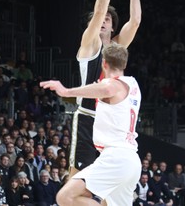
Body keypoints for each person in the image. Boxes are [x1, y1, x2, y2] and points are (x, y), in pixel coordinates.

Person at [68, 0, 148, 180]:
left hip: (112, 120)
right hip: (87, 117)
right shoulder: (89, 45)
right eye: (98, 19)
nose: (102, 21)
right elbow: (100, 9)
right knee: (77, 176)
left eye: (107, 20)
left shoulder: (116, 48)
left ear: (113, 27)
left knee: (106, 183)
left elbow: (135, 22)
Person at [40, 43, 142, 206]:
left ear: (104, 63)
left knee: (65, 197)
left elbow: (108, 88)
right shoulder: (133, 84)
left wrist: (66, 91)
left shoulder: (112, 85)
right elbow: (108, 91)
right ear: (124, 64)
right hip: (132, 160)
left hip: (115, 158)